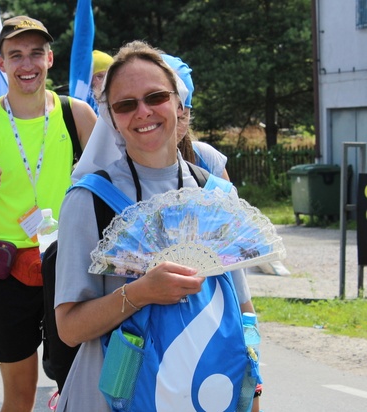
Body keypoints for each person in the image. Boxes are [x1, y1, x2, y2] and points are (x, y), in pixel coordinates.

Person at [54, 40, 259, 411]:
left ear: (179, 104)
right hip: (113, 398)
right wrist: (142, 292)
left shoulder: (215, 195)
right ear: (112, 117)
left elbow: (242, 308)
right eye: (126, 104)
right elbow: (69, 329)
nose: (143, 112)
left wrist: (251, 385)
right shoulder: (90, 200)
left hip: (204, 394)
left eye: (156, 97)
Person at [0, 15, 96, 411]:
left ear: (50, 58)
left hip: (66, 266)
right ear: (2, 63)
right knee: (21, 394)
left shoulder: (75, 115)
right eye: (16, 55)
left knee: (78, 384)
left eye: (34, 54)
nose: (26, 65)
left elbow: (110, 190)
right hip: (5, 271)